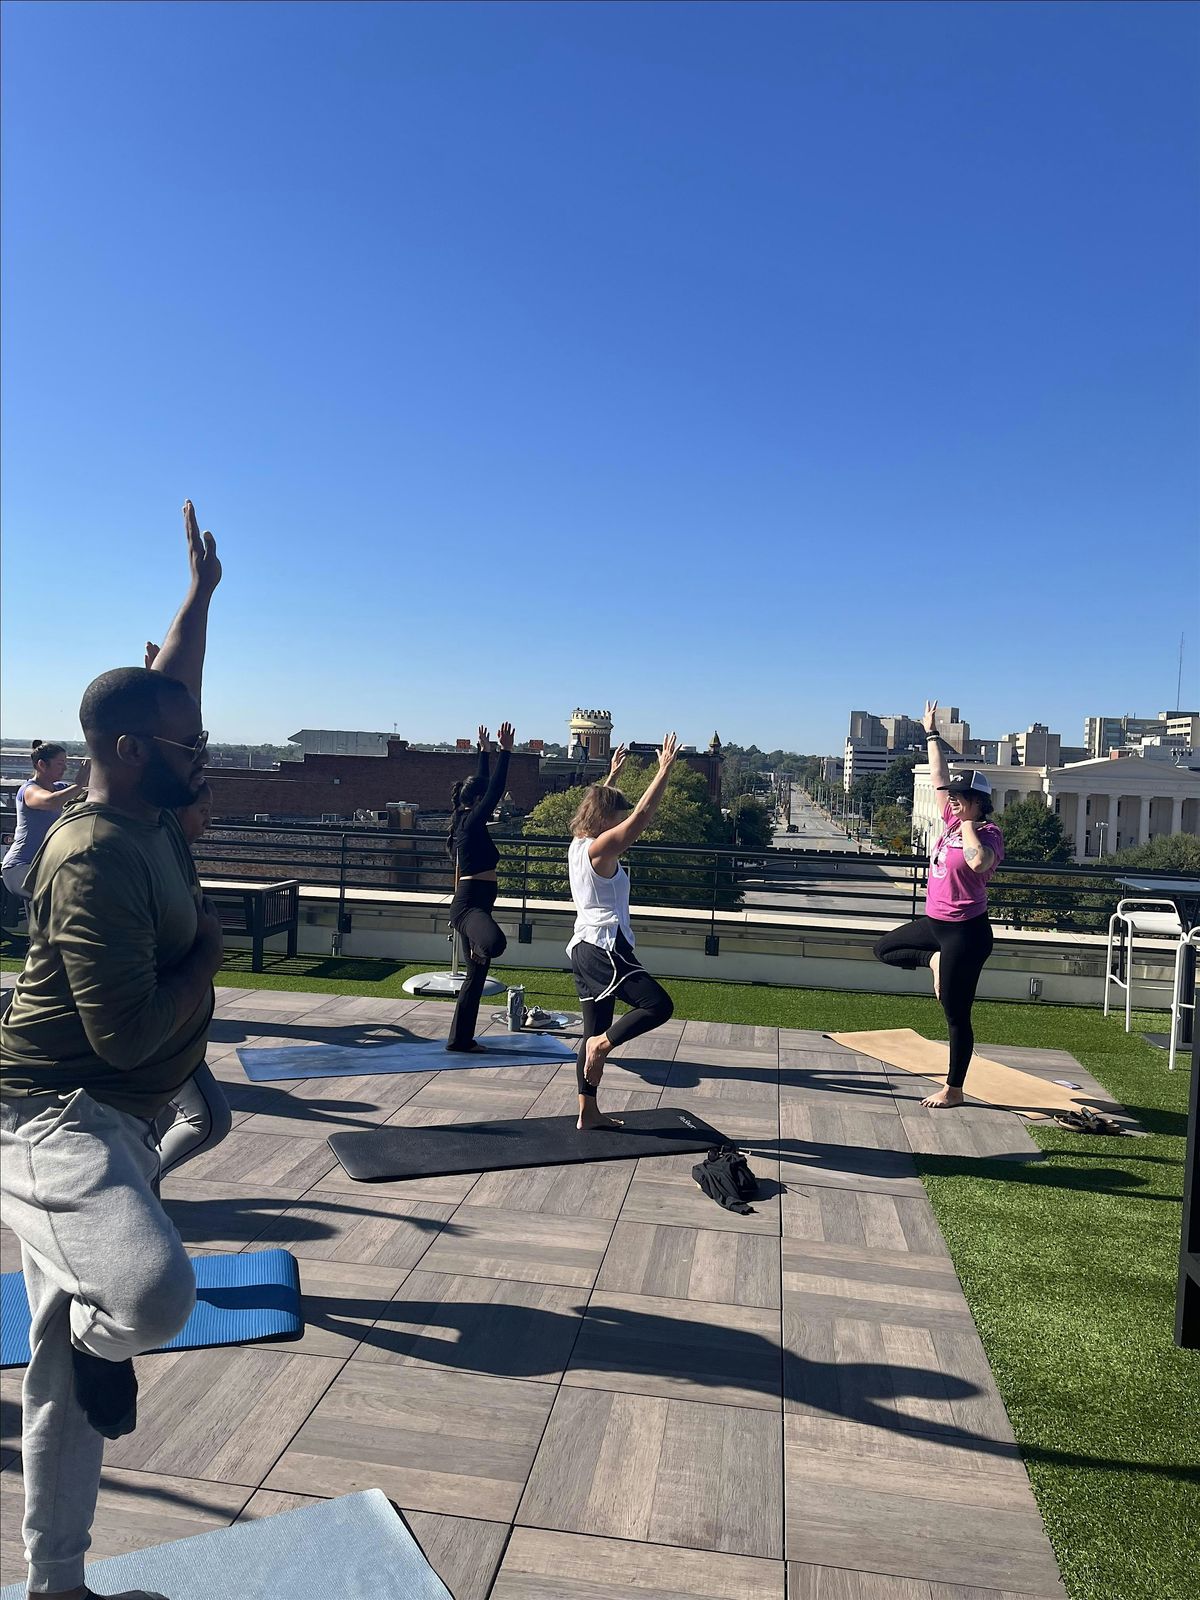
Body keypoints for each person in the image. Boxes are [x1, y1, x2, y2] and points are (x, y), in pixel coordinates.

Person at [0, 500, 223, 1600]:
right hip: (51, 1111)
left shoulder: (150, 806)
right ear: (131, 753)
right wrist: (208, 967)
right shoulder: (93, 855)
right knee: (150, 1296)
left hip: (119, 1110)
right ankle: (100, 1344)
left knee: (52, 1374)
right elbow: (125, 1031)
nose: (206, 752)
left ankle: (56, 1588)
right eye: (190, 743)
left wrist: (199, 597)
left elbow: (164, 687)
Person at [873, 699, 1005, 1108]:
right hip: (934, 924)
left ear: (979, 803)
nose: (955, 801)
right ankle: (933, 961)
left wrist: (967, 822)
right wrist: (932, 733)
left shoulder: (988, 833)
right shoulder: (951, 819)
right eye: (955, 798)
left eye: (964, 798)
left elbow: (978, 862)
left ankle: (954, 1088)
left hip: (966, 933)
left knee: (955, 1014)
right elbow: (938, 776)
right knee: (884, 949)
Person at [567, 735, 677, 1131]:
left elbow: (601, 802)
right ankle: (602, 1045)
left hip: (582, 947)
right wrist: (663, 771)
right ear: (607, 819)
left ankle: (588, 1112)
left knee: (594, 1028)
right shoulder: (600, 850)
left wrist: (613, 776)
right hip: (605, 946)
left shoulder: (577, 845)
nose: (622, 819)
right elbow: (642, 817)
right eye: (617, 814)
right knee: (657, 1006)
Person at [444, 723, 514, 1052]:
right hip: (469, 907)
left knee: (475, 978)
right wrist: (506, 752)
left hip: (476, 907)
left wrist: (483, 753)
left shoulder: (465, 818)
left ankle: (460, 1040)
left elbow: (482, 787)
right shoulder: (471, 822)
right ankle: (479, 942)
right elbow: (494, 790)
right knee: (495, 943)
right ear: (477, 800)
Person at [2, 745, 90, 903]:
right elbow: (51, 801)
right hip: (21, 867)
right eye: (60, 763)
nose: (65, 767)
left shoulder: (61, 789)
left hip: (45, 867)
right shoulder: (28, 790)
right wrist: (79, 785)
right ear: (42, 765)